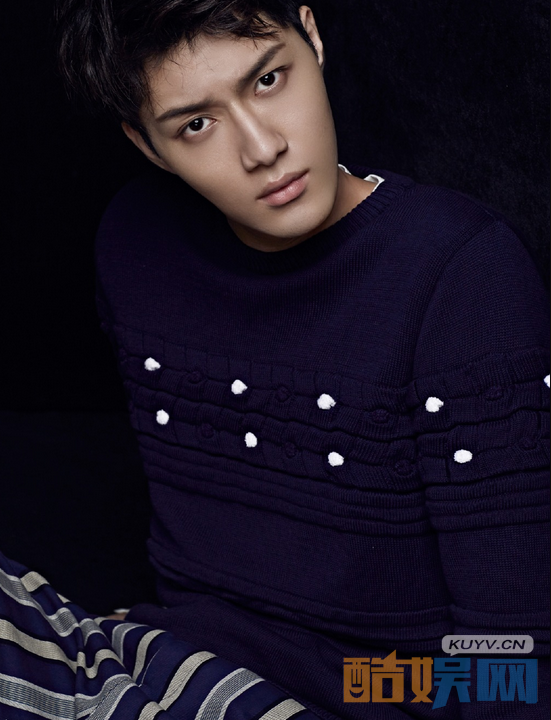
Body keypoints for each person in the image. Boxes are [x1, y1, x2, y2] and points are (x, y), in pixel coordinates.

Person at [0, 1, 548, 718]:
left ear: (311, 36)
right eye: (196, 125)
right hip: (149, 664)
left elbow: (515, 668)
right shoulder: (135, 240)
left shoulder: (463, 273)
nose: (262, 148)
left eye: (267, 79)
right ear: (147, 145)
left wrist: (343, 685)